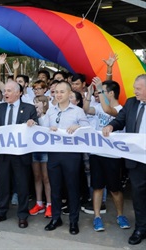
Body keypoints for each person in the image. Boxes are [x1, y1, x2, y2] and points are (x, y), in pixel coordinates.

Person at [40, 81, 89, 235]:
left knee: (72, 188)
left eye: (62, 92)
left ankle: (74, 221)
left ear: (69, 93)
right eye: (56, 92)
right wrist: (48, 129)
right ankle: (56, 218)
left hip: (72, 155)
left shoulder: (77, 111)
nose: (58, 95)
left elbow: (89, 129)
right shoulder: (51, 111)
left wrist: (78, 127)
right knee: (55, 188)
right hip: (54, 154)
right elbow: (43, 130)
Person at [102, 74, 146, 245]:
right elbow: (120, 120)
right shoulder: (131, 102)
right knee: (138, 195)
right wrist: (111, 126)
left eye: (139, 88)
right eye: (135, 88)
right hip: (136, 159)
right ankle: (141, 228)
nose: (135, 91)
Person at [0, 80, 38, 229]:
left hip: (21, 154)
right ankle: (1, 212)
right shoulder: (0, 108)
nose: (5, 93)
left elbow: (36, 128)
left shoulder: (29, 109)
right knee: (3, 183)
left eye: (9, 91)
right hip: (4, 153)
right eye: (5, 91)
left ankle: (22, 215)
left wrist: (32, 123)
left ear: (18, 93)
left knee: (22, 184)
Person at [83, 78, 130, 232]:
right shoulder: (98, 106)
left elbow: (109, 110)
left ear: (110, 93)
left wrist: (99, 88)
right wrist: (89, 94)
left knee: (114, 189)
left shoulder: (122, 109)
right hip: (97, 153)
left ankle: (120, 215)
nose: (99, 93)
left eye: (102, 91)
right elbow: (86, 109)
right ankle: (97, 217)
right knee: (97, 187)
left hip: (113, 156)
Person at [29, 96, 52, 218]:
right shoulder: (32, 117)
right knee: (37, 177)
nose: (36, 105)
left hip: (46, 151)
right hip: (34, 150)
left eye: (38, 103)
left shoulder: (48, 116)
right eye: (34, 103)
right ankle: (39, 203)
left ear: (44, 103)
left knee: (46, 178)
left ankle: (49, 204)